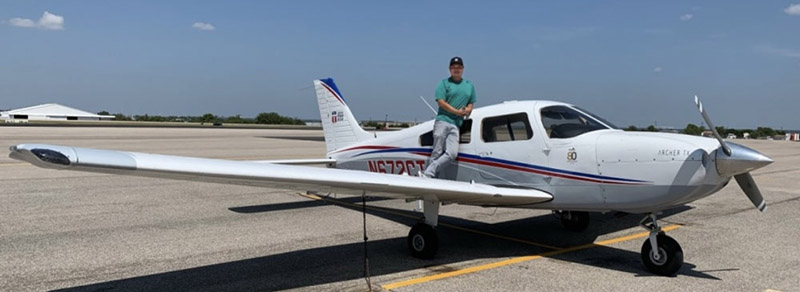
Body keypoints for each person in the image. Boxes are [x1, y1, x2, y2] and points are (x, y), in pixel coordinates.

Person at [421, 56, 476, 178]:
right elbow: (441, 102)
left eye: (459, 67)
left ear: (463, 69)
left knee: (451, 153)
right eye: (453, 67)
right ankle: (428, 179)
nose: (456, 69)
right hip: (443, 121)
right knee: (437, 152)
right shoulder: (443, 83)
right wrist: (456, 112)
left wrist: (467, 109)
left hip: (456, 124)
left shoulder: (469, 86)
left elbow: (471, 103)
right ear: (449, 69)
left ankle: (428, 174)